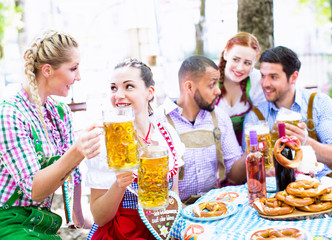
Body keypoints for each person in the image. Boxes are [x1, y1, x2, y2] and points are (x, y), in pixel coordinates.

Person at [0, 30, 102, 239]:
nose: (79, 77)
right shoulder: (10, 113)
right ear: (47, 70)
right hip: (8, 222)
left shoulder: (60, 112)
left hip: (43, 223)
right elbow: (35, 190)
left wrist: (79, 218)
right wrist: (77, 151)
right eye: (73, 68)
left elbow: (72, 173)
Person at [85, 58, 185, 240]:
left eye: (128, 86)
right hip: (120, 233)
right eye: (114, 88)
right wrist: (119, 185)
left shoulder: (167, 134)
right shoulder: (106, 142)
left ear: (149, 92)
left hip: (162, 230)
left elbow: (174, 197)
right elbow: (99, 217)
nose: (118, 95)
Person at [243, 46, 332, 177]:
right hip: (277, 192)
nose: (265, 83)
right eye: (263, 76)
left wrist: (305, 141)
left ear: (293, 77)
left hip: (323, 186)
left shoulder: (319, 103)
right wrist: (263, 170)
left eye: (273, 77)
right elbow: (246, 170)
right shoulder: (255, 117)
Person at [155, 55, 246, 204]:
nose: (218, 91)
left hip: (214, 209)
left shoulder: (220, 118)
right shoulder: (159, 120)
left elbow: (235, 176)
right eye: (212, 85)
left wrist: (252, 151)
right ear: (189, 87)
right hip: (174, 212)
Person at [216, 32, 266, 146]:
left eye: (247, 63)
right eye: (235, 59)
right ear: (226, 54)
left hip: (246, 149)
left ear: (255, 61)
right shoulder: (210, 79)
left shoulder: (256, 80)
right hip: (215, 150)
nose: (240, 68)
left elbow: (261, 118)